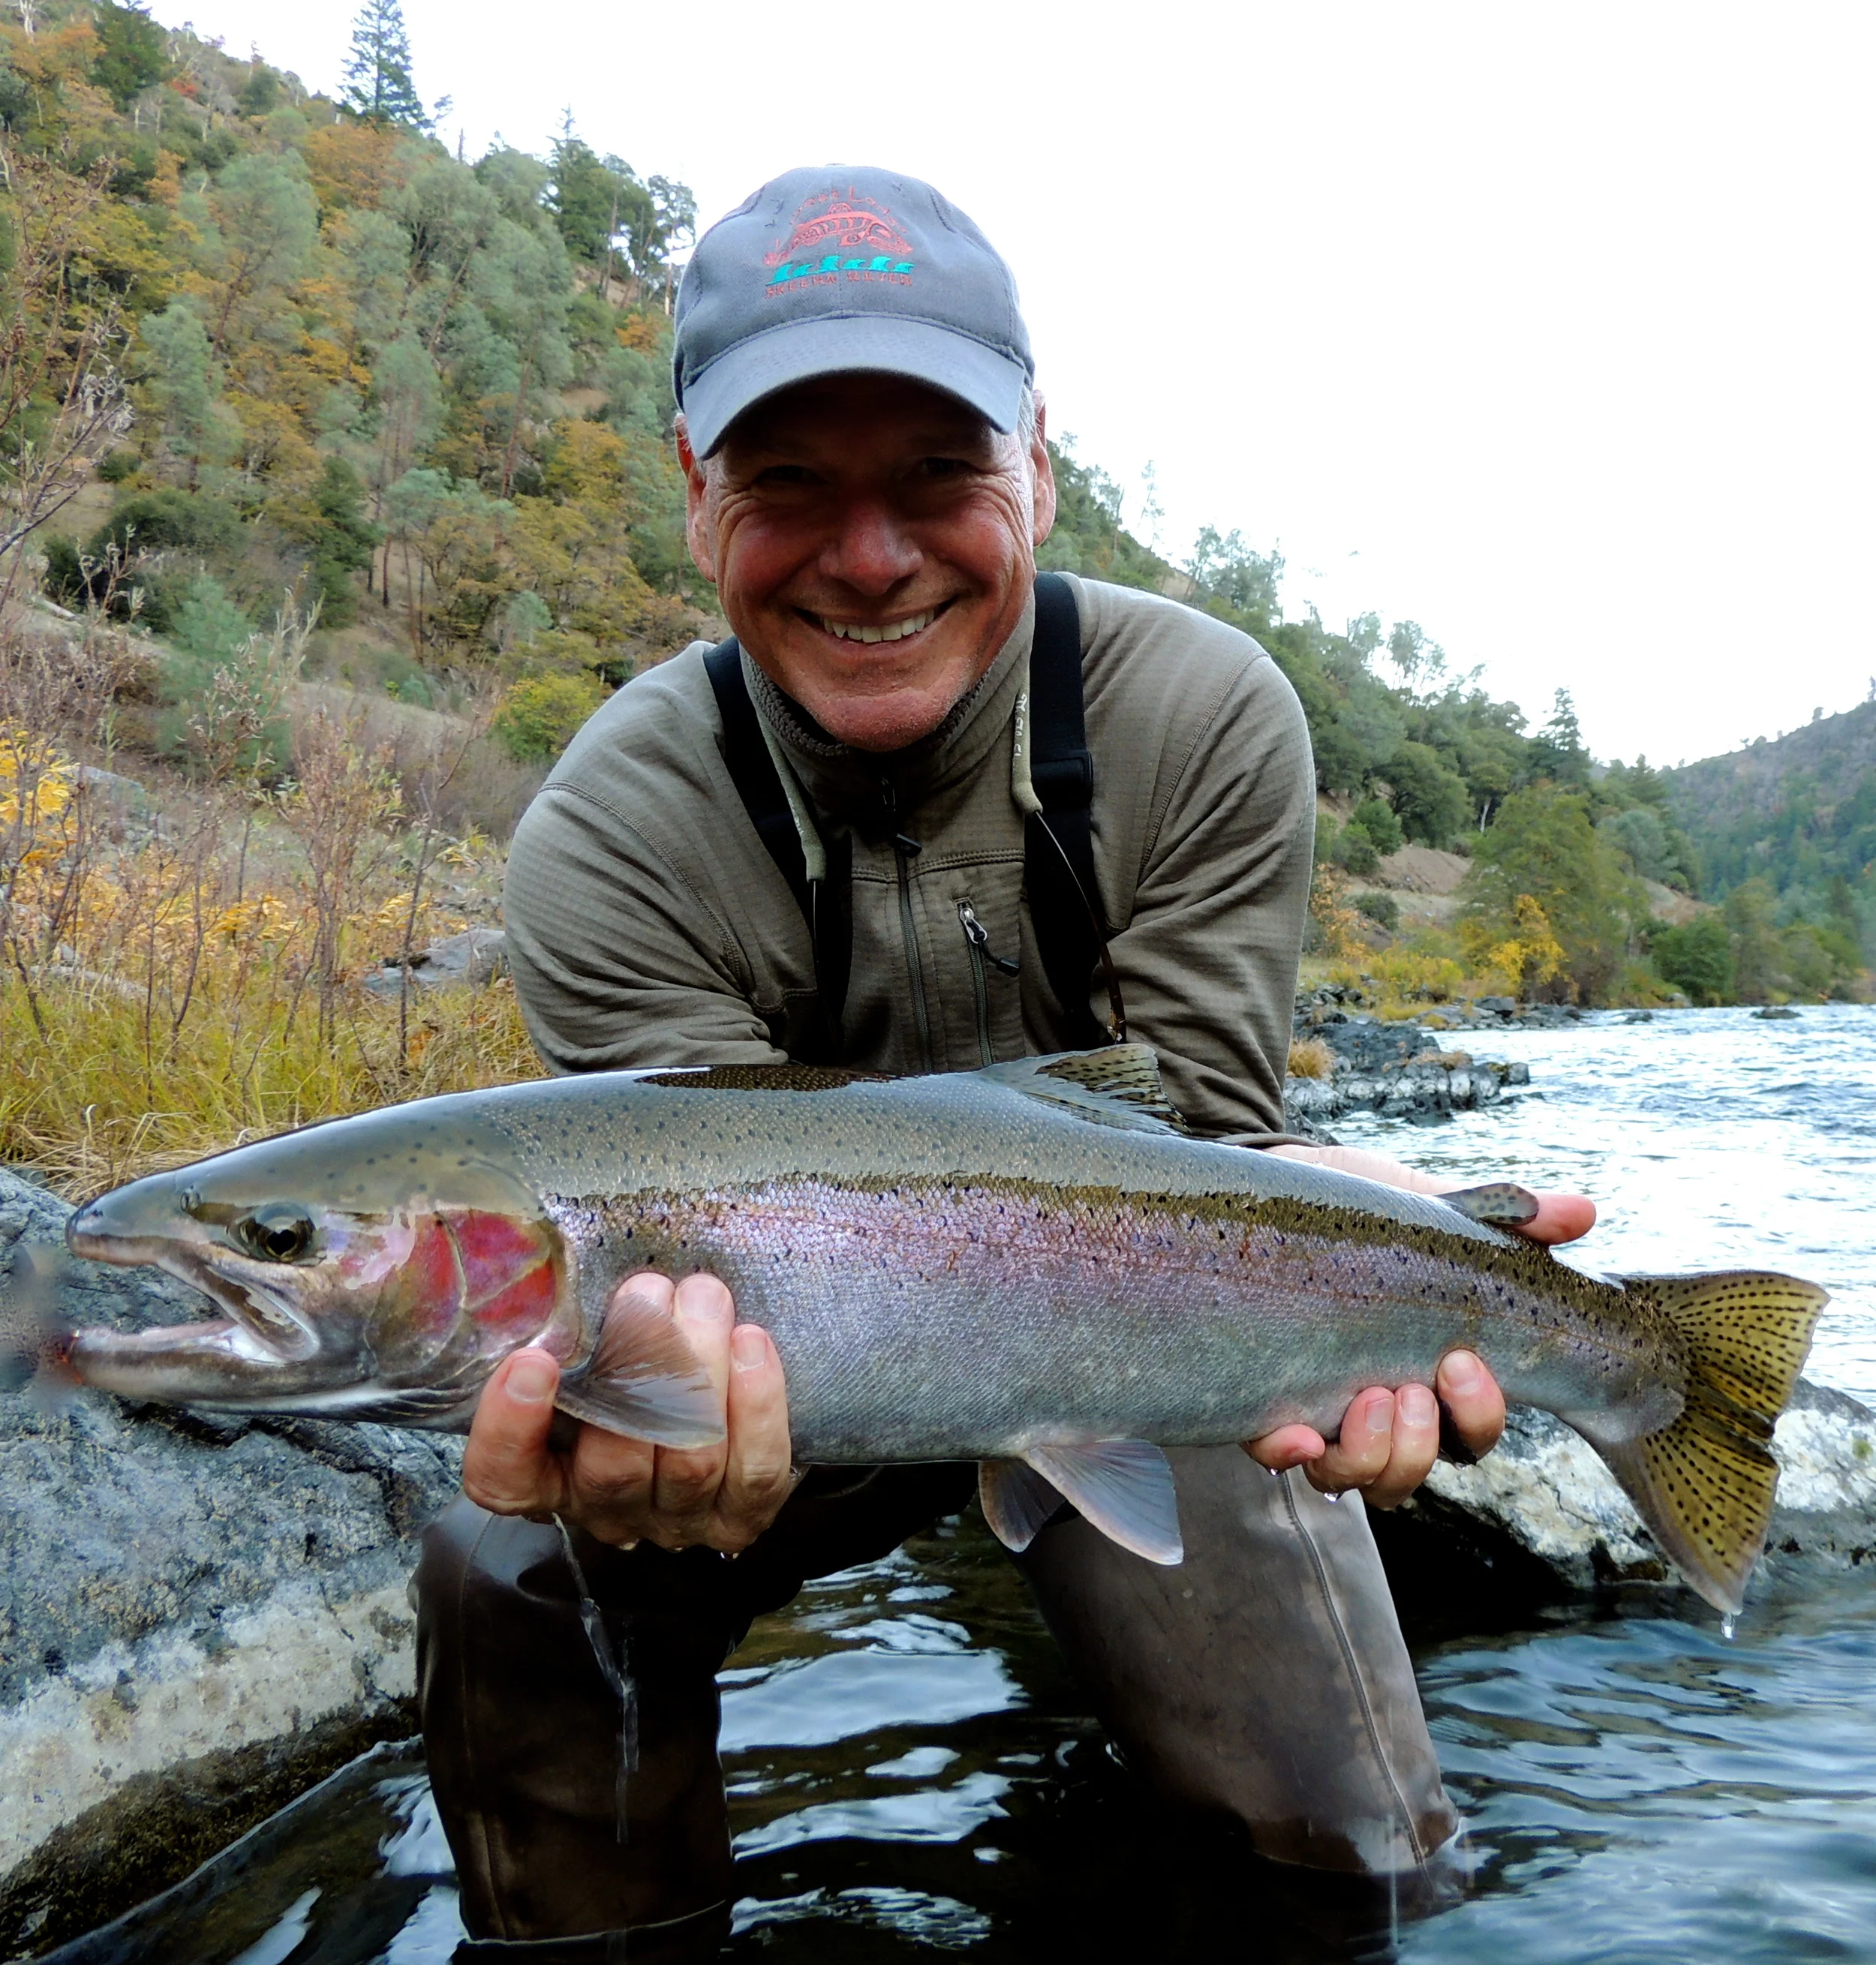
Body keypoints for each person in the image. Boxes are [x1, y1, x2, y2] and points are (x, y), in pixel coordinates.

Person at [416, 165, 1595, 1960]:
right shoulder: (611, 827)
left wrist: (1383, 1261)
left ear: (1038, 463)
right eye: (787, 484)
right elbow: (670, 1236)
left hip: (1131, 1334)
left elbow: (1206, 1139)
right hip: (770, 1362)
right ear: (691, 492)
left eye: (938, 480)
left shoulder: (1195, 714)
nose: (868, 556)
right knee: (509, 1558)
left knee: (1352, 1863)